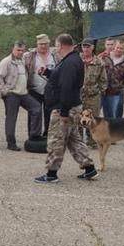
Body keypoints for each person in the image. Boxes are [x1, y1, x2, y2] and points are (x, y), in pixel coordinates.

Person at [34, 34, 98, 183]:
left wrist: (63, 112)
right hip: (73, 107)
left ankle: (51, 173)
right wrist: (47, 73)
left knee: (56, 139)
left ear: (61, 45)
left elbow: (67, 88)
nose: (55, 49)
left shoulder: (69, 63)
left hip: (64, 108)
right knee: (74, 139)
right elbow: (61, 79)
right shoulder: (72, 59)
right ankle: (89, 169)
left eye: (56, 46)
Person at [0, 40, 42, 151]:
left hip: (23, 93)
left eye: (22, 50)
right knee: (11, 118)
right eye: (18, 50)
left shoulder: (23, 60)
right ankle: (11, 143)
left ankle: (34, 136)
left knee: (37, 108)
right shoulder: (6, 62)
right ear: (13, 49)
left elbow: (33, 52)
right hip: (12, 94)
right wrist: (4, 91)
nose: (20, 52)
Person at [23, 34, 59, 137]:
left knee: (50, 113)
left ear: (49, 44)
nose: (43, 46)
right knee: (34, 113)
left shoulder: (55, 55)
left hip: (51, 90)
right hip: (34, 89)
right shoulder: (28, 56)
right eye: (41, 44)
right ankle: (33, 135)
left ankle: (48, 135)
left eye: (45, 44)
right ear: (37, 44)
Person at [79, 38, 108, 147]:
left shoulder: (99, 62)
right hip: (78, 94)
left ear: (92, 47)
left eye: (88, 46)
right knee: (78, 118)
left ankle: (92, 141)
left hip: (93, 95)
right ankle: (79, 141)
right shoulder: (77, 60)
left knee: (93, 118)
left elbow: (103, 79)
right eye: (84, 46)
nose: (85, 49)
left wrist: (100, 91)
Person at [99, 38, 124, 118]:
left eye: (121, 48)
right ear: (114, 47)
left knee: (117, 115)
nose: (119, 49)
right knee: (107, 116)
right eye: (117, 47)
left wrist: (118, 85)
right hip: (104, 91)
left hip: (116, 92)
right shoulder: (104, 58)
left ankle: (118, 130)